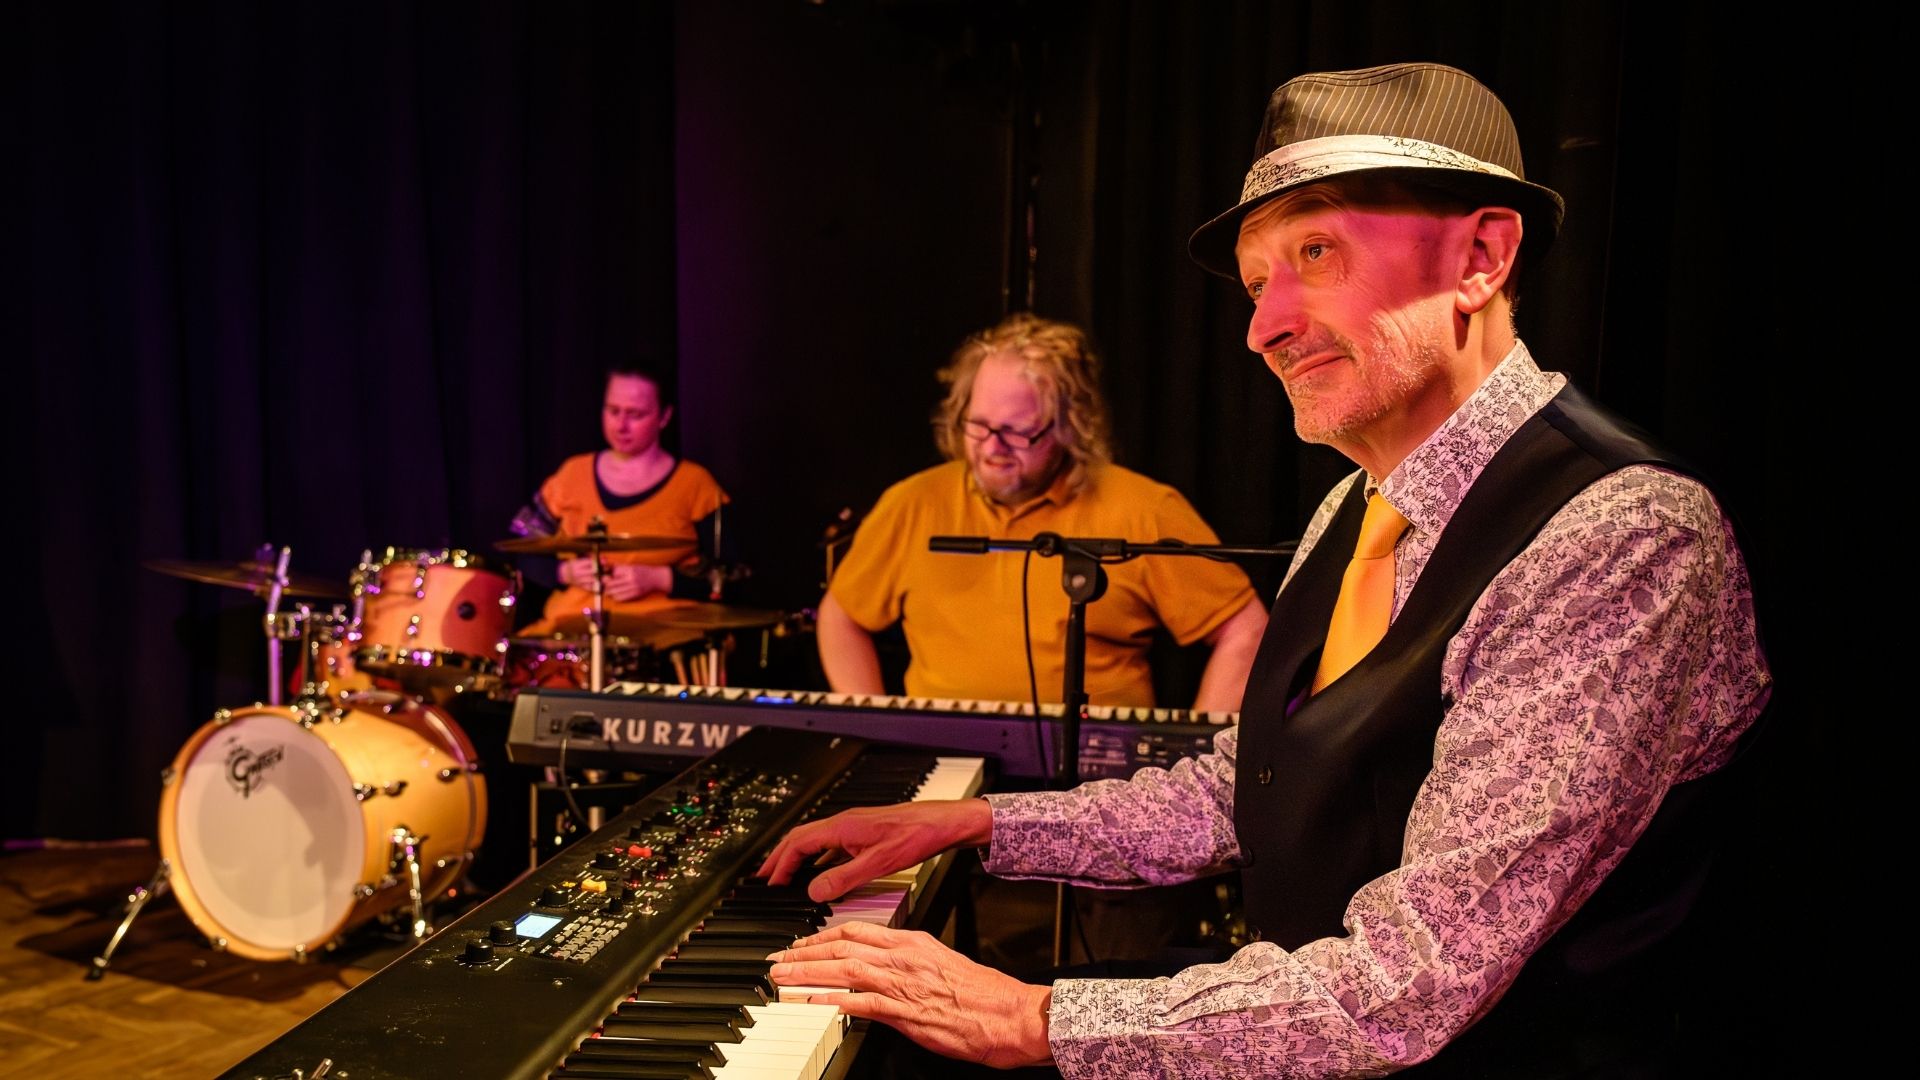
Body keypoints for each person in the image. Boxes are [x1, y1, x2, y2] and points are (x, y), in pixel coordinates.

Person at [759, 62, 1771, 1076]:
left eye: (1315, 254)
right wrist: (975, 822)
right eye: (1255, 282)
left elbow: (1413, 979)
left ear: (1479, 256)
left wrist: (1037, 1020)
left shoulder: (1623, 534)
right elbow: (1244, 790)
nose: (1262, 327)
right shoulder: (1357, 503)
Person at [817, 312, 1268, 713]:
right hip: (942, 766)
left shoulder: (1144, 509)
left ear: (1069, 427)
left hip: (1097, 779)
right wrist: (876, 724)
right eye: (978, 425)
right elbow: (841, 616)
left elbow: (1245, 631)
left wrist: (1192, 764)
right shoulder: (913, 502)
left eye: (1018, 432)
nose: (992, 449)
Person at [511, 367, 730, 638]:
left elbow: (734, 577)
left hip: (664, 636)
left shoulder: (695, 484)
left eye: (635, 414)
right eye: (613, 411)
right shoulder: (572, 474)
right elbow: (522, 548)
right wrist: (564, 572)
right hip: (574, 633)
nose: (621, 426)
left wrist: (661, 579)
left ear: (664, 416)